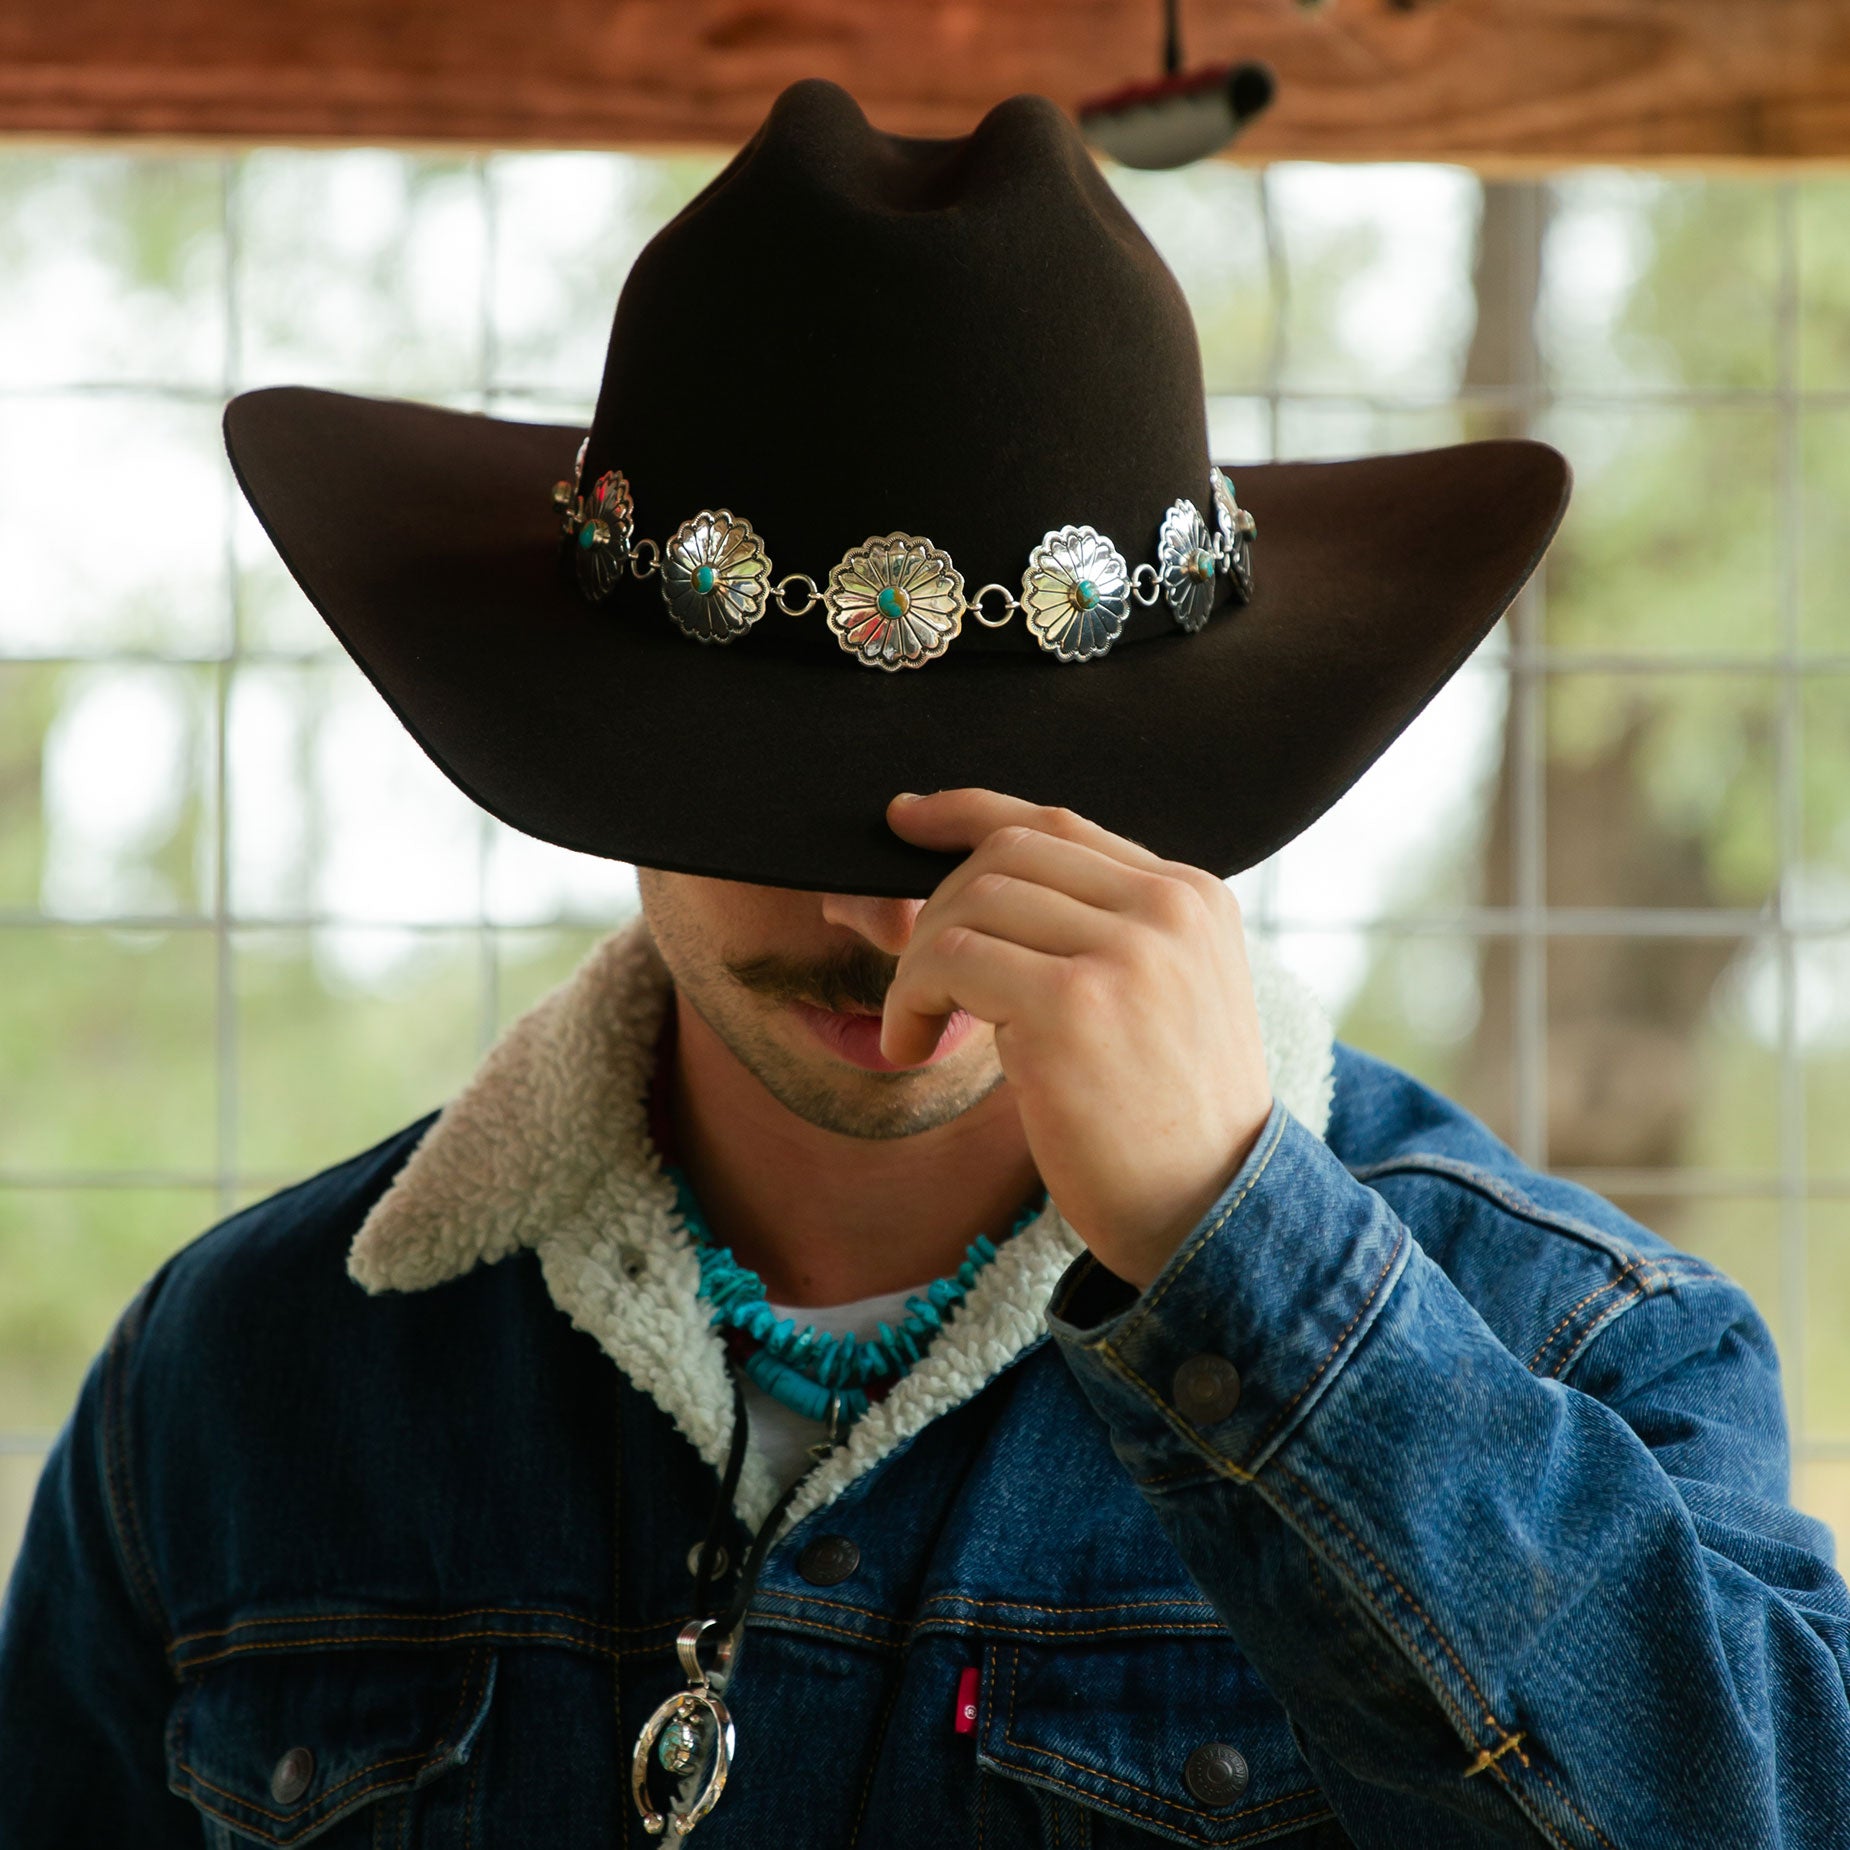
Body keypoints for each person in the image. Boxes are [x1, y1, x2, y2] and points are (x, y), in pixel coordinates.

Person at [2, 75, 1846, 1849]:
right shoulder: (238, 1382)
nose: (896, 925)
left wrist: (1248, 1262)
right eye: (780, 803)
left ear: (1175, 782)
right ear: (595, 749)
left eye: (1006, 807)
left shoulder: (1572, 1350)